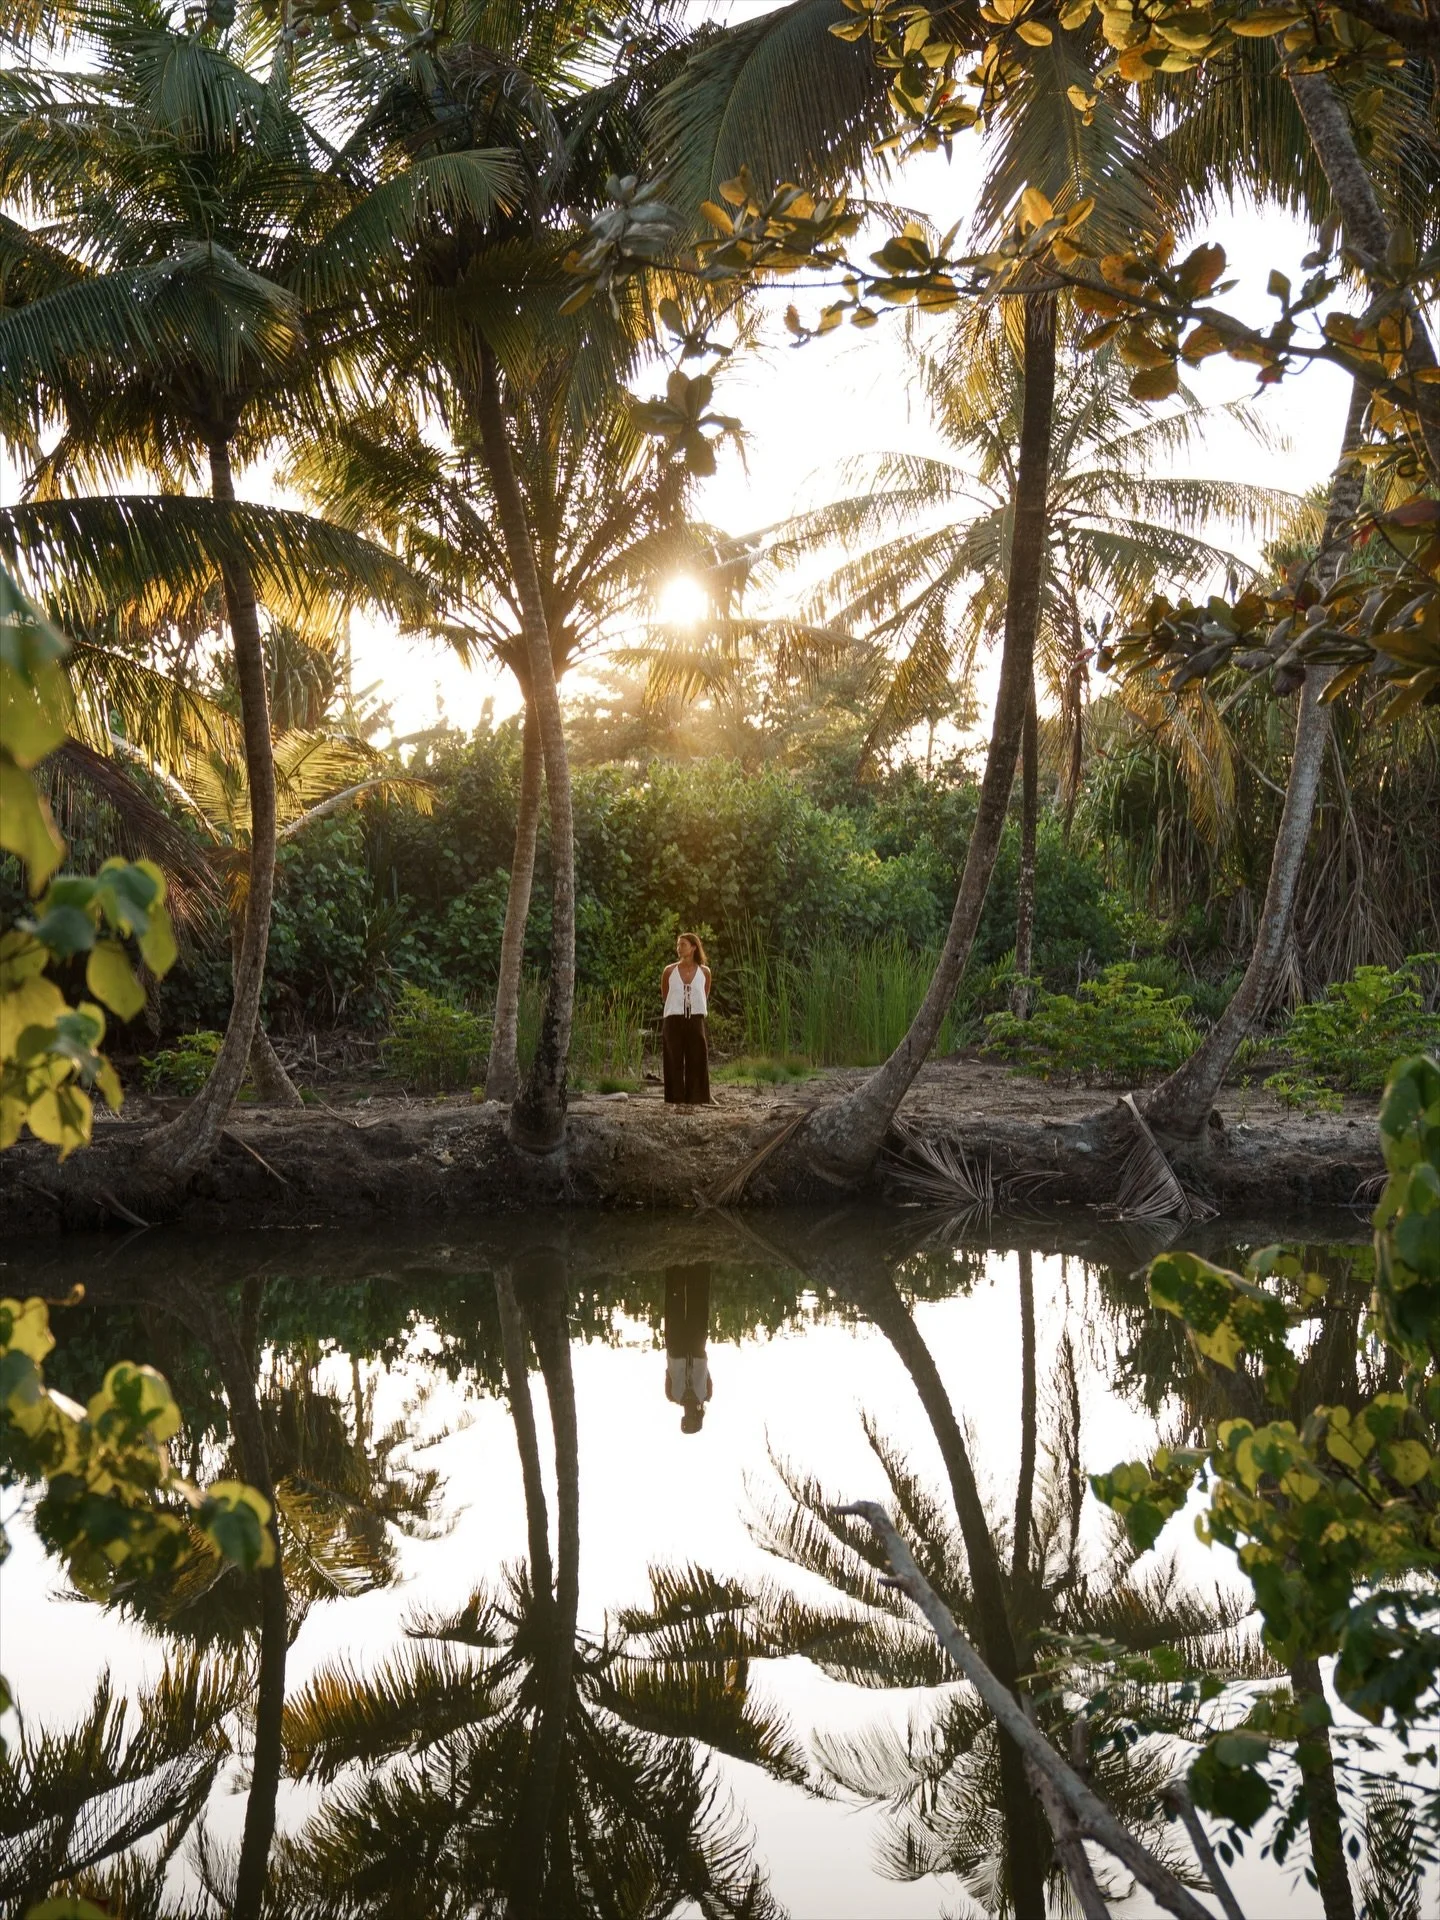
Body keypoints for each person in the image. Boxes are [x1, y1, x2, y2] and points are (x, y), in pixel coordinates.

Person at [661, 932, 712, 1106]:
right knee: (673, 1059)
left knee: (697, 1058)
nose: (678, 948)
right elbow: (665, 995)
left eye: (682, 944)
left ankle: (697, 1098)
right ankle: (675, 1099)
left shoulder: (705, 972)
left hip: (695, 1019)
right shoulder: (669, 971)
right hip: (673, 1019)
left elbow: (704, 994)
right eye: (677, 945)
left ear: (693, 947)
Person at [663, 1264, 712, 1434]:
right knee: (699, 1304)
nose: (688, 1415)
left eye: (686, 1420)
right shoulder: (706, 1394)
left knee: (673, 1302)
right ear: (697, 1418)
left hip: (676, 1348)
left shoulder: (672, 1396)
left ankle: (674, 1265)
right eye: (692, 1419)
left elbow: (668, 1373)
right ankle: (698, 1266)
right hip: (697, 1348)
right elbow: (707, 1373)